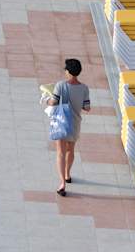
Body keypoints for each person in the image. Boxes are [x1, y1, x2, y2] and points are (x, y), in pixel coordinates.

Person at [51, 58, 92, 196]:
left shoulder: (60, 85)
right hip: (75, 123)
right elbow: (87, 108)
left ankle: (62, 182)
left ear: (68, 71)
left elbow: (53, 102)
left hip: (62, 122)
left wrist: (47, 99)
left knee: (60, 153)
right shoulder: (84, 88)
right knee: (70, 150)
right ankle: (68, 174)